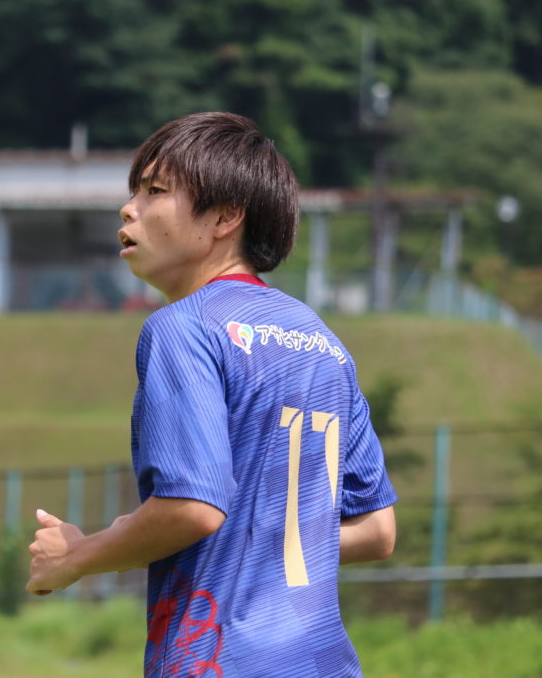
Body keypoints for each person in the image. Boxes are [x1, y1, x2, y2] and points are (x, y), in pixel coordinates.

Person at [26, 112, 397, 676]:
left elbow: (192, 509)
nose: (129, 209)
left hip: (221, 659)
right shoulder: (324, 342)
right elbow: (376, 530)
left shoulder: (184, 327)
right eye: (133, 193)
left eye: (155, 192)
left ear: (225, 216)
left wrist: (78, 555)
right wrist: (258, 535)